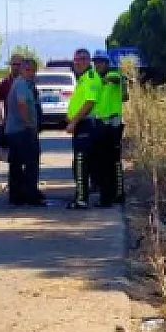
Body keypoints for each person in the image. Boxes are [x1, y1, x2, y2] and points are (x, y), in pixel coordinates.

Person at [4, 56, 46, 207]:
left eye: (33, 70)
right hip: (22, 130)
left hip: (16, 131)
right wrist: (30, 125)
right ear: (21, 70)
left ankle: (17, 196)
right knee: (31, 163)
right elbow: (22, 105)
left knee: (17, 164)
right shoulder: (21, 84)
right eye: (27, 70)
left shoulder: (24, 84)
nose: (31, 73)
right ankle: (30, 195)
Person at [63, 47, 101, 210]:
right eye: (76, 59)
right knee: (80, 163)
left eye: (82, 59)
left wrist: (74, 122)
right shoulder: (83, 78)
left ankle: (81, 199)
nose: (78, 62)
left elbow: (90, 102)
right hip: (82, 124)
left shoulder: (91, 77)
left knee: (81, 163)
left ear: (88, 61)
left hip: (86, 125)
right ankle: (81, 196)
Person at [89, 50, 126, 207]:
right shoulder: (94, 78)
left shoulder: (114, 75)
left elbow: (116, 79)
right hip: (100, 124)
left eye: (101, 62)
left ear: (107, 63)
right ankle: (109, 195)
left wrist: (105, 79)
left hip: (113, 125)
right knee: (102, 162)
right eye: (96, 62)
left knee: (112, 162)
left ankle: (112, 196)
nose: (98, 65)